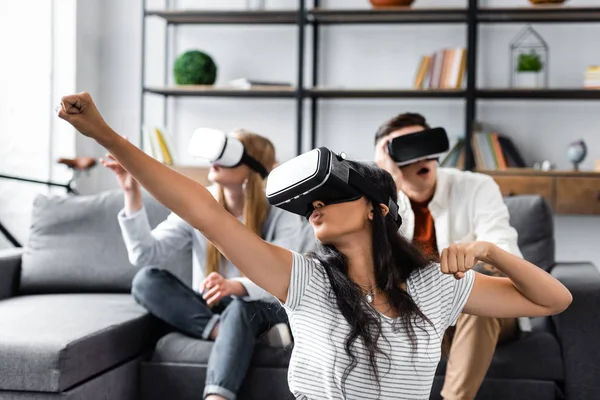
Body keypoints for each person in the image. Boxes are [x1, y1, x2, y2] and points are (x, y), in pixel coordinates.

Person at [57, 92, 572, 400]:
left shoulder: (433, 287)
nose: (314, 208)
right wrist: (105, 135)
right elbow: (204, 211)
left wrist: (490, 253)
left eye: (329, 197)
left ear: (375, 208)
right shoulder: (304, 280)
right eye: (309, 206)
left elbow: (554, 300)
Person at [101, 128, 315, 400]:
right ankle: (223, 331)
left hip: (261, 306)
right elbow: (145, 254)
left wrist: (235, 286)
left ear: (253, 167)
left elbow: (285, 275)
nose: (216, 160)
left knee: (240, 307)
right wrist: (131, 192)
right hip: (212, 303)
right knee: (146, 281)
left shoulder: (279, 212)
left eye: (229, 154)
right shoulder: (200, 204)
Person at [374, 112, 525, 400]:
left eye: (424, 143)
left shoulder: (476, 186)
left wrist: (472, 259)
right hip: (418, 314)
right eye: (405, 149)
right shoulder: (378, 202)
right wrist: (389, 182)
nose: (421, 157)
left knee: (475, 294)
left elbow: (504, 251)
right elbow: (376, 262)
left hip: (481, 311)